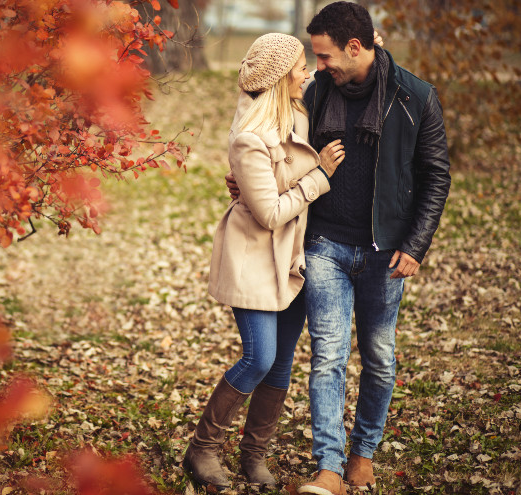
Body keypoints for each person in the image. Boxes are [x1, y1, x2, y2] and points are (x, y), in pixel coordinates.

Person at [251, 3, 447, 494]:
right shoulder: (317, 94)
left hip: (386, 252)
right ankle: (330, 469)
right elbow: (275, 147)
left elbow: (435, 176)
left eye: (324, 56)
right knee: (328, 357)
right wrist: (246, 180)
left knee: (379, 357)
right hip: (324, 245)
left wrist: (417, 245)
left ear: (354, 48)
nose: (318, 67)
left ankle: (363, 454)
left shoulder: (415, 97)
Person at [182, 33, 346, 492]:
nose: (307, 73)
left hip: (292, 259)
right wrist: (320, 177)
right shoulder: (249, 138)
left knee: (280, 364)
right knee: (259, 357)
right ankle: (202, 448)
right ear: (278, 77)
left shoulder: (298, 114)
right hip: (255, 257)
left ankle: (254, 457)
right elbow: (270, 212)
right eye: (299, 67)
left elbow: (346, 75)